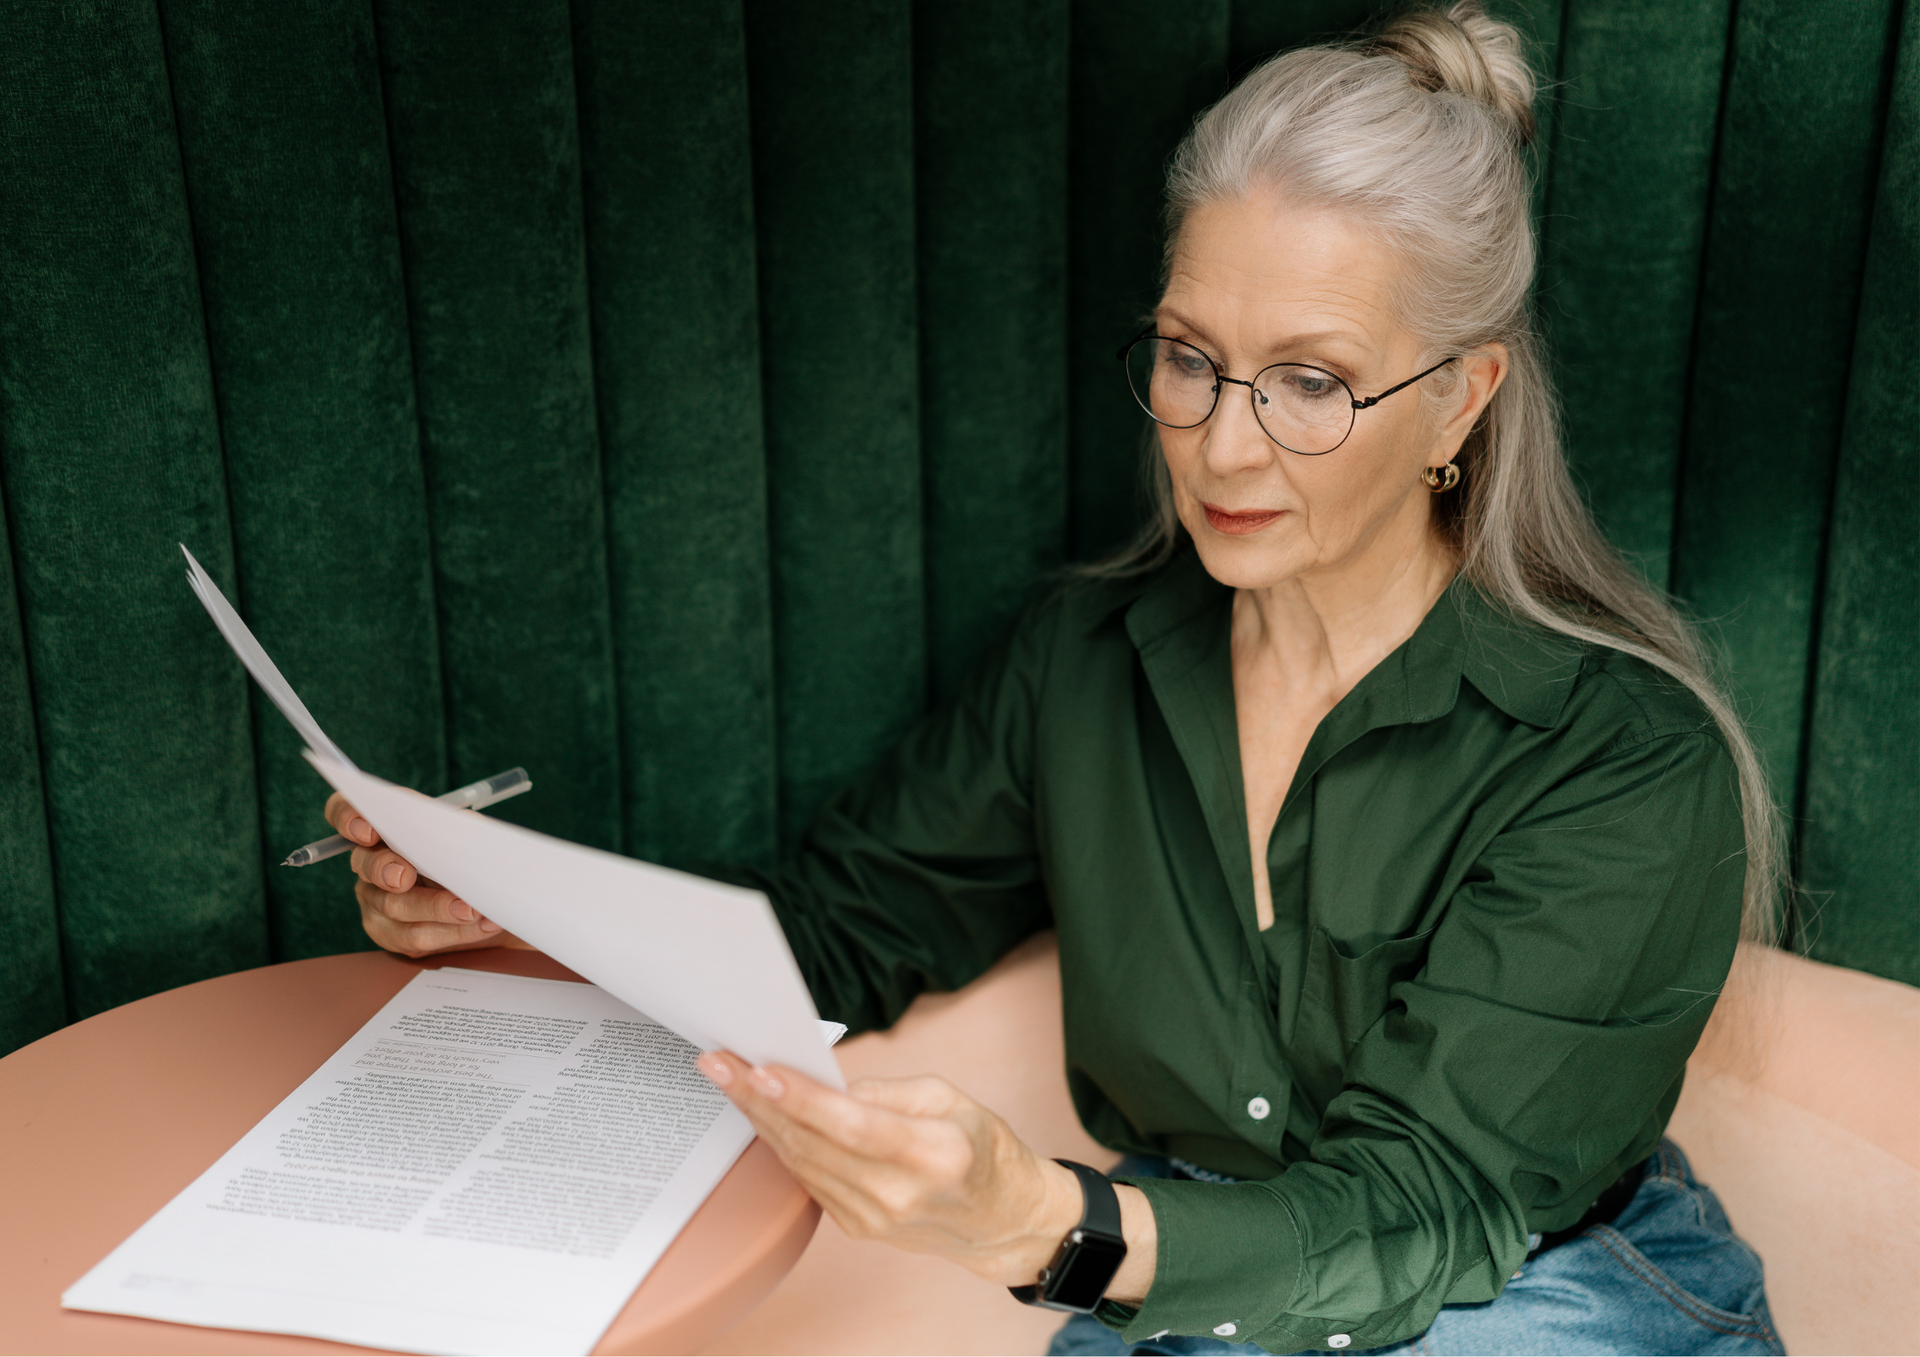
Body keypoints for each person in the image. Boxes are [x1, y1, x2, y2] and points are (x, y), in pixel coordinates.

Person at [322, 5, 1787, 1352]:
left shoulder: (1623, 760)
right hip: (1176, 1277)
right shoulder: (1084, 661)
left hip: (1529, 1289)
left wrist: (1050, 1225)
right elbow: (837, 932)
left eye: (1312, 383)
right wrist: (509, 909)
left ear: (1461, 398)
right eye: (1190, 358)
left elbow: (1419, 1211)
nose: (1221, 445)